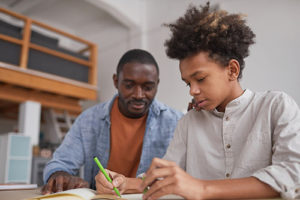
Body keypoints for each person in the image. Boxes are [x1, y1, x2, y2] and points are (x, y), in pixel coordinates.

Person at [140, 3, 300, 200]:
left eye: (200, 79)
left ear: (232, 70)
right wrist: (123, 182)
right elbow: (166, 178)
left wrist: (201, 188)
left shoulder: (276, 106)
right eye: (187, 83)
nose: (192, 90)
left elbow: (293, 174)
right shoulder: (189, 122)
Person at [42, 49, 183, 194]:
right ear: (116, 81)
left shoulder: (176, 122)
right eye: (129, 85)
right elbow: (60, 163)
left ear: (157, 84)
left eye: (148, 87)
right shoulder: (89, 120)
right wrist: (59, 175)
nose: (139, 95)